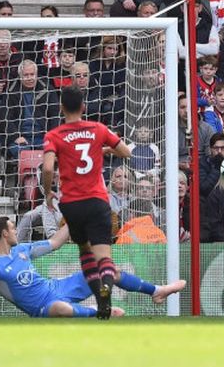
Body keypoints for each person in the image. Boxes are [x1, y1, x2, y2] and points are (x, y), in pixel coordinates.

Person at [0, 218, 185, 318]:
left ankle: (157, 291)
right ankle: (100, 312)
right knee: (60, 309)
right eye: (12, 228)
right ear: (4, 234)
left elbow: (55, 243)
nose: (16, 231)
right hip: (42, 307)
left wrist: (73, 216)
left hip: (58, 287)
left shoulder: (22, 249)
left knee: (108, 270)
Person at [42, 85, 132, 319]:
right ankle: (107, 288)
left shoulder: (54, 135)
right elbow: (125, 152)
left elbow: (49, 167)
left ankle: (103, 305)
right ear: (84, 106)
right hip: (97, 201)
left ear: (61, 108)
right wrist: (103, 150)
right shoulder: (98, 129)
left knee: (85, 252)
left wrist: (48, 191)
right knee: (104, 257)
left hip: (71, 205)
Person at [0, 60, 60, 160]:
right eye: (26, 75)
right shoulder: (11, 91)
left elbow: (55, 116)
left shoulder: (48, 89)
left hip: (43, 137)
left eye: (32, 74)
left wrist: (51, 137)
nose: (30, 78)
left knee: (53, 152)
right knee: (24, 153)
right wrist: (16, 136)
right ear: (20, 76)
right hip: (21, 138)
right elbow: (4, 118)